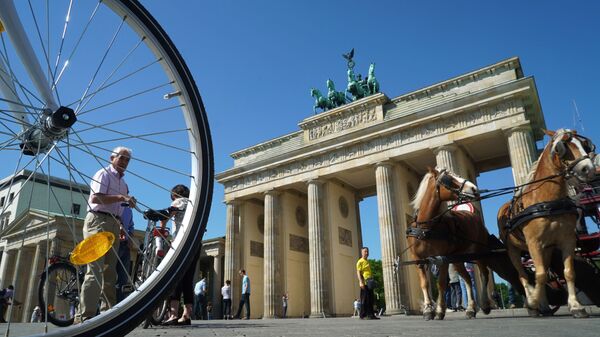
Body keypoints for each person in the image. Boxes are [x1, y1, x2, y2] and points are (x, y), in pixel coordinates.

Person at [76, 147, 136, 324]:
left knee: (110, 271)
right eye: (122, 158)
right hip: (98, 220)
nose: (124, 162)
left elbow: (120, 207)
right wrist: (121, 198)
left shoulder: (123, 183)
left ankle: (107, 314)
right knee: (95, 269)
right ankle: (84, 316)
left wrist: (125, 222)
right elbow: (96, 198)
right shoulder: (103, 174)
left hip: (114, 223)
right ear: (112, 158)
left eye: (127, 160)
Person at [160, 185, 195, 326]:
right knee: (188, 279)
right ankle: (186, 315)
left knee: (175, 278)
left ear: (174, 195)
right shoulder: (193, 202)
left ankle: (173, 314)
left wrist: (162, 225)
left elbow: (169, 214)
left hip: (180, 242)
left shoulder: (178, 201)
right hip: (195, 243)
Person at [116, 206, 135, 303]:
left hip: (125, 245)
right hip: (115, 244)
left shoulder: (128, 210)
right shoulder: (114, 205)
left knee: (123, 278)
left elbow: (131, 226)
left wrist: (130, 238)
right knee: (109, 276)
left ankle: (119, 304)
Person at [356, 247, 378, 320]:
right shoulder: (360, 261)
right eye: (365, 251)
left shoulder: (367, 261)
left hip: (369, 282)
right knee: (364, 299)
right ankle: (363, 315)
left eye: (367, 251)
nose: (367, 253)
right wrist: (360, 282)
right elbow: (358, 272)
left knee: (371, 299)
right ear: (361, 252)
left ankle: (371, 314)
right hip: (364, 282)